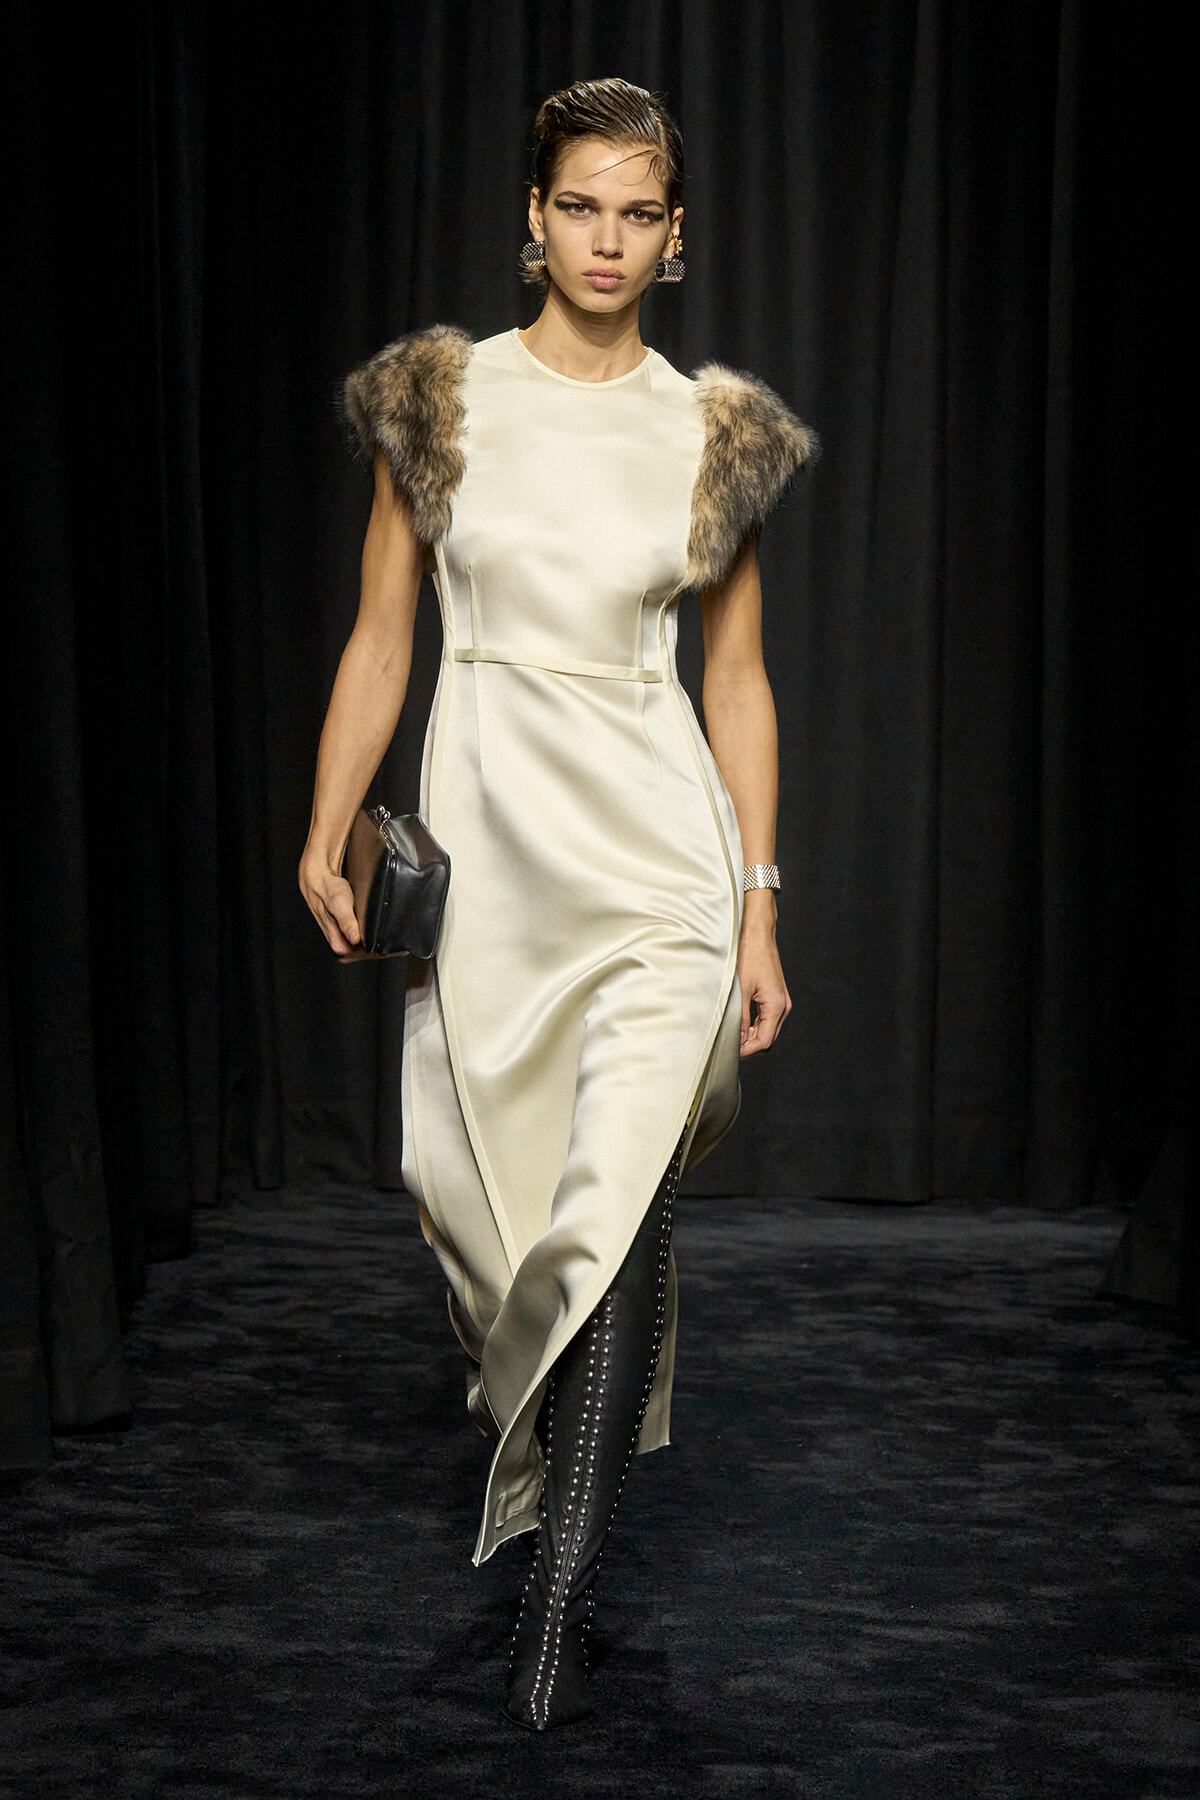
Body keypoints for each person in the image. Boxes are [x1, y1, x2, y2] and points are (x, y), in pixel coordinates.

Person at [299, 76, 817, 1731]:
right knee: (493, 1219)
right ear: (534, 214)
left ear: (676, 235)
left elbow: (736, 687)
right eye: (578, 205)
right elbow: (387, 635)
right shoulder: (438, 402)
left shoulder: (712, 431)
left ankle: (558, 1601)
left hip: (658, 864)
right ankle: (552, 1552)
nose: (606, 239)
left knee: (618, 1213)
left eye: (638, 212)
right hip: (497, 864)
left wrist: (755, 910)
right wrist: (326, 833)